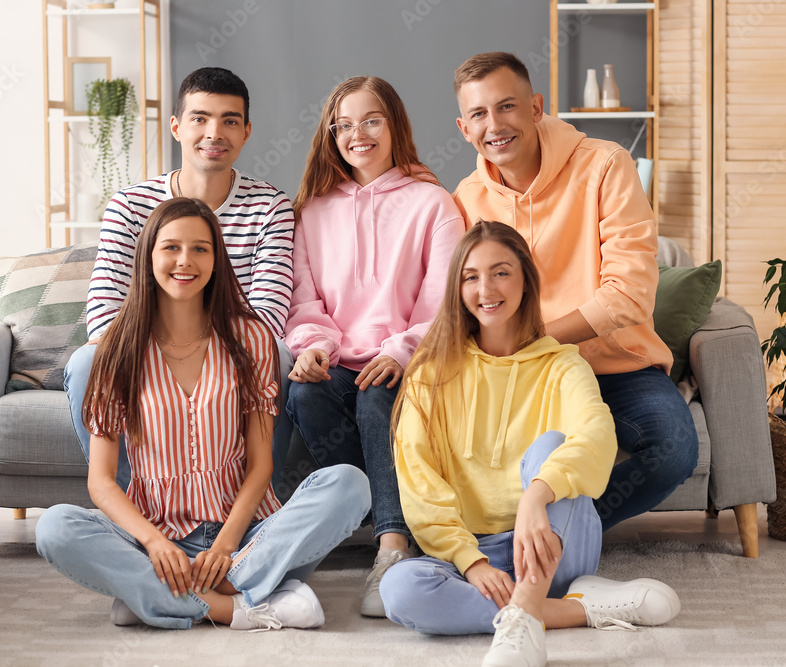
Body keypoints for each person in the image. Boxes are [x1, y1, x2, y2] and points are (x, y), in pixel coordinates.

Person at [36, 197, 370, 631]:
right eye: (171, 248)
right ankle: (235, 607)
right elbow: (100, 482)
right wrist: (155, 545)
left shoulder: (251, 337)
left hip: (246, 539)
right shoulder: (115, 348)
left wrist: (226, 546)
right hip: (154, 541)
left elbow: (260, 465)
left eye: (200, 248)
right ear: (148, 256)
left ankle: (159, 597)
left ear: (216, 259)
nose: (185, 260)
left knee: (348, 484)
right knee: (56, 526)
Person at [380, 222, 681, 667]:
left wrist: (536, 497)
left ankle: (523, 619)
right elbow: (419, 481)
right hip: (474, 556)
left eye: (501, 273)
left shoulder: (563, 364)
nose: (486, 289)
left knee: (552, 446)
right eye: (471, 277)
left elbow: (597, 437)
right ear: (457, 289)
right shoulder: (431, 372)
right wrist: (470, 562)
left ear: (525, 280)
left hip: (554, 542)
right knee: (398, 590)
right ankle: (576, 610)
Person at [451, 52, 698, 531]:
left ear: (536, 106)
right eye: (479, 113)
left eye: (507, 106)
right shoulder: (465, 199)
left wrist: (535, 340)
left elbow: (630, 293)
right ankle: (530, 534)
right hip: (521, 373)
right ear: (464, 128)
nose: (494, 125)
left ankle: (550, 531)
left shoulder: (606, 165)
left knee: (674, 451)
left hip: (617, 367)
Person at [64, 67, 296, 493]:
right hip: (146, 347)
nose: (214, 133)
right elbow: (104, 315)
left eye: (229, 120)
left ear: (246, 132)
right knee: (86, 363)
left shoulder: (270, 207)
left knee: (277, 356)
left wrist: (201, 348)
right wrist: (170, 349)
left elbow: (267, 318)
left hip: (234, 350)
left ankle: (258, 505)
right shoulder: (130, 206)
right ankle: (136, 509)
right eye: (200, 118)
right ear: (176, 127)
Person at [284, 76, 465, 617]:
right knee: (306, 394)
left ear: (394, 126)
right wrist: (313, 347)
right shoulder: (311, 211)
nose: (356, 134)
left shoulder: (433, 203)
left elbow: (442, 301)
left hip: (412, 361)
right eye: (342, 125)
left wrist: (401, 351)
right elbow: (304, 299)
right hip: (339, 360)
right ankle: (388, 511)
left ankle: (391, 549)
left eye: (371, 121)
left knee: (376, 395)